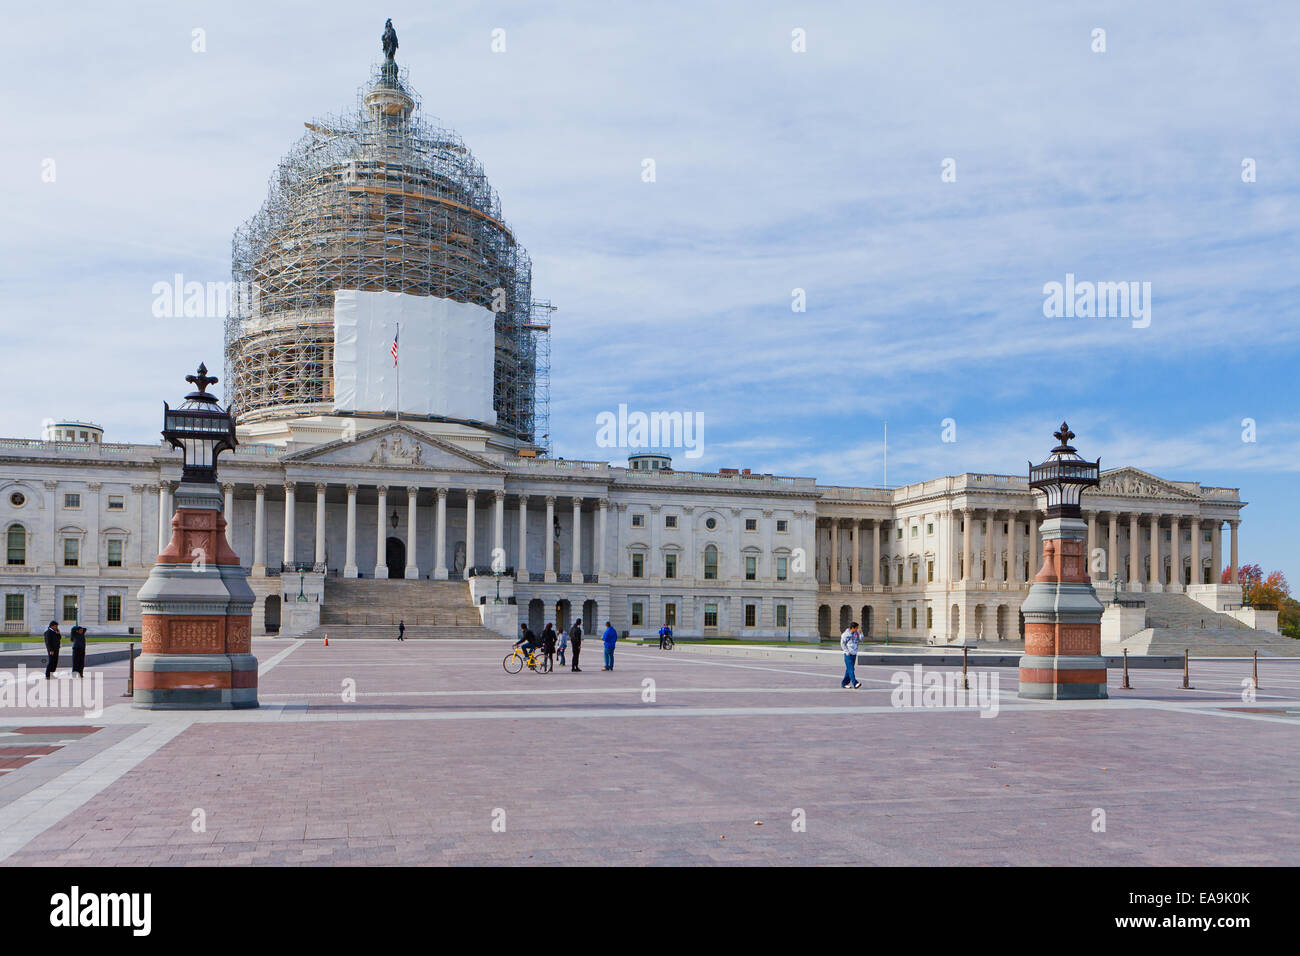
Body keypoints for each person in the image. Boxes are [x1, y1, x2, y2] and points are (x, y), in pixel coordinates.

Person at [840, 621, 862, 689]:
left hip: (854, 653)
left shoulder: (856, 634)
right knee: (851, 669)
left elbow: (861, 640)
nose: (857, 629)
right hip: (848, 654)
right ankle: (855, 683)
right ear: (852, 628)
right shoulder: (845, 634)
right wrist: (846, 652)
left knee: (849, 669)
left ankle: (844, 683)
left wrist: (861, 634)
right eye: (856, 628)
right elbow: (842, 644)